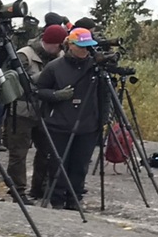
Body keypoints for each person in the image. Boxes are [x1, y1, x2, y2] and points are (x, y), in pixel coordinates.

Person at [33, 27, 107, 210]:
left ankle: (75, 199)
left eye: (88, 46)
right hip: (59, 124)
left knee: (80, 165)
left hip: (88, 125)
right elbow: (39, 91)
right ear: (70, 45)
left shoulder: (96, 68)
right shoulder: (55, 67)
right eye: (81, 46)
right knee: (58, 164)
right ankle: (57, 199)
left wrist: (102, 121)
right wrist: (56, 95)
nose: (85, 50)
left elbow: (104, 96)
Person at [8, 22, 68, 198]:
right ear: (49, 42)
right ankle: (18, 191)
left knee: (46, 152)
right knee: (18, 153)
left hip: (45, 110)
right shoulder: (24, 55)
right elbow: (15, 82)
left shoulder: (60, 56)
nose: (60, 49)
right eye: (58, 45)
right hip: (22, 110)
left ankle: (39, 188)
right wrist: (45, 75)